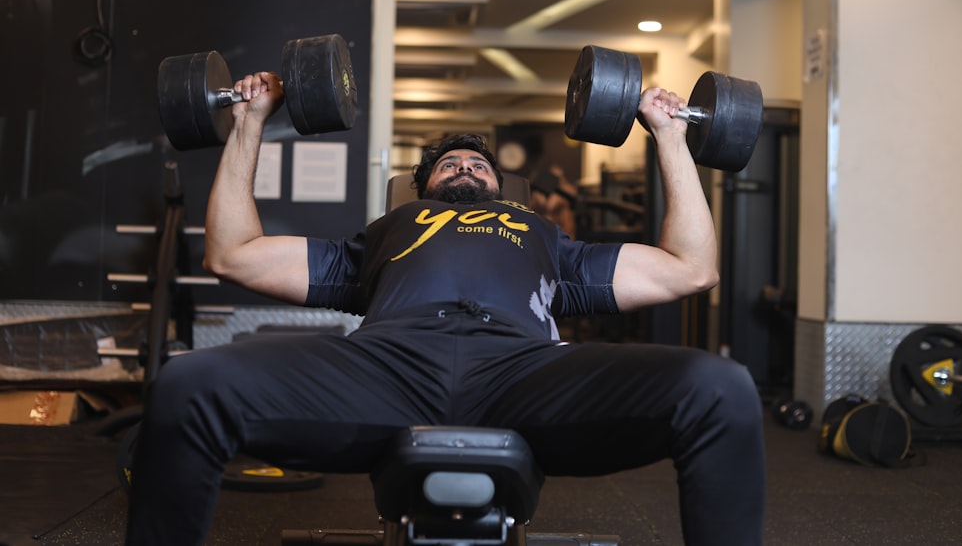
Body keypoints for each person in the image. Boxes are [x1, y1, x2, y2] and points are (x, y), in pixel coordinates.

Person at [124, 70, 766, 546]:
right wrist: (249, 122)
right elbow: (233, 254)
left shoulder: (546, 239)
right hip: (384, 367)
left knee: (720, 388)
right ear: (423, 187)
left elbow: (692, 269)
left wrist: (671, 139)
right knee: (188, 381)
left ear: (502, 188)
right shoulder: (381, 235)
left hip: (525, 372)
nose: (465, 166)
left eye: (478, 164)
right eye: (449, 163)